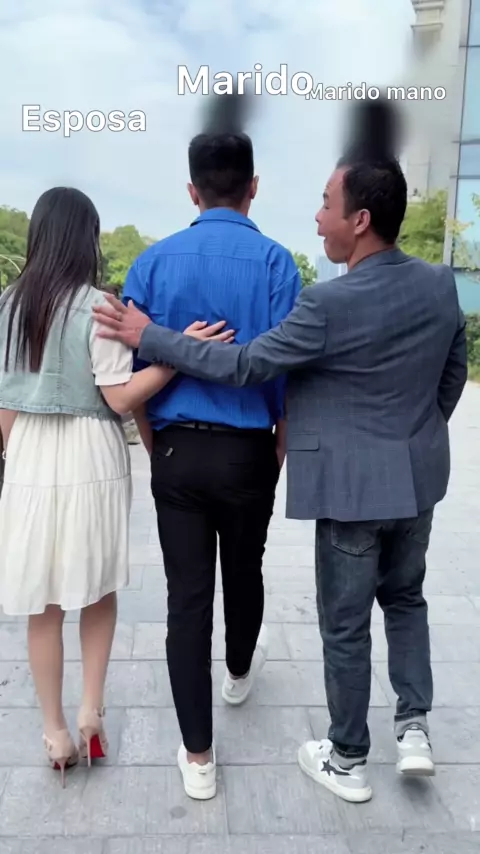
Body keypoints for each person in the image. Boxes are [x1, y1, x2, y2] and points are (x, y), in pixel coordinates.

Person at [93, 100, 468, 804]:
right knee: (384, 594)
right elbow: (447, 374)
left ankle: (273, 757)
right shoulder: (411, 282)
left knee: (239, 607)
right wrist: (408, 435)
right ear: (253, 187)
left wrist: (153, 353)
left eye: (327, 204)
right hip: (344, 470)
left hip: (237, 467)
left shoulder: (172, 268)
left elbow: (232, 367)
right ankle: (397, 722)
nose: (318, 217)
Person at [0, 186, 231, 786]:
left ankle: (54, 732)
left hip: (28, 453)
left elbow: (4, 406)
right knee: (96, 590)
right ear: (88, 239)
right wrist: (179, 354)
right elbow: (121, 398)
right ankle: (91, 713)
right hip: (90, 453)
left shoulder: (8, 306)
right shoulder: (99, 308)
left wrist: (15, 459)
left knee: (42, 601)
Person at [108, 97, 301, 801]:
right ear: (254, 187)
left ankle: (197, 756)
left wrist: (155, 443)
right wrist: (276, 449)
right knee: (244, 571)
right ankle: (240, 671)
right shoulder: (278, 264)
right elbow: (288, 372)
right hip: (249, 451)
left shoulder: (152, 265)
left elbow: (133, 372)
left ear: (192, 190)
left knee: (186, 598)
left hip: (176, 453)